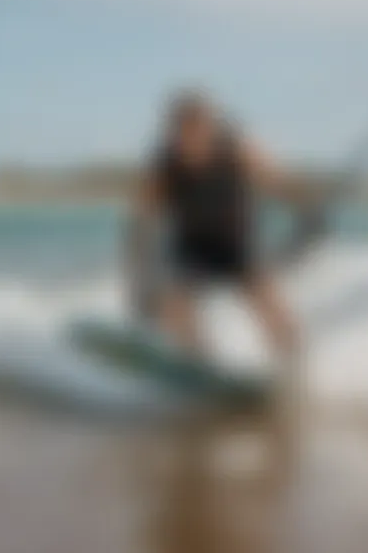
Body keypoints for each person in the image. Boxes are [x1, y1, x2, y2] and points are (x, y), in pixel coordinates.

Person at [125, 89, 325, 361]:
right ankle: (199, 363)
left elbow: (277, 181)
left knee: (269, 302)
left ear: (210, 128)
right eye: (182, 132)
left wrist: (308, 209)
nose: (191, 140)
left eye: (199, 129)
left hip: (236, 244)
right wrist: (140, 283)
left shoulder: (238, 149)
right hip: (192, 248)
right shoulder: (165, 166)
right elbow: (140, 221)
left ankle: (294, 363)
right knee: (174, 304)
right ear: (173, 132)